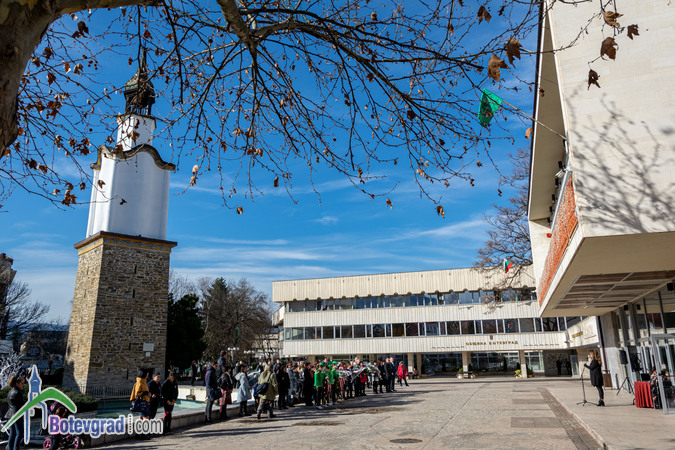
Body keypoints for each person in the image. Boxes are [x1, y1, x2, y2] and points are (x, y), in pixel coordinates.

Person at [5, 375, 26, 450]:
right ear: (17, 383)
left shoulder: (10, 391)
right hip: (17, 415)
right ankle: (16, 448)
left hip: (10, 415)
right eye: (22, 383)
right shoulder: (18, 392)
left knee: (12, 433)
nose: (23, 385)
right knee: (20, 433)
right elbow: (22, 404)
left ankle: (10, 448)